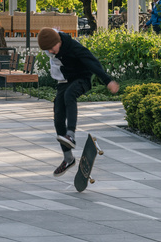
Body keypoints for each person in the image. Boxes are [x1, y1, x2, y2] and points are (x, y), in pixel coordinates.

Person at [37, 27, 119, 178]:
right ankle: (68, 158)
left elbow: (93, 63)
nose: (50, 52)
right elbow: (49, 36)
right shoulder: (53, 43)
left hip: (82, 79)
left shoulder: (74, 47)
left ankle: (71, 135)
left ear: (59, 41)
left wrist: (108, 81)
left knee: (70, 95)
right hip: (64, 81)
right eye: (47, 50)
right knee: (58, 117)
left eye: (52, 48)